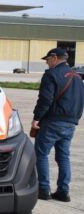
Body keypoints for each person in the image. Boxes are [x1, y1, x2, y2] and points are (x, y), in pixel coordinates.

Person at [31, 47, 84, 202]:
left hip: (52, 121)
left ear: (54, 58)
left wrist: (36, 118)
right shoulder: (77, 77)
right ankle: (63, 191)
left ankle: (43, 189)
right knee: (63, 157)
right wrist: (75, 118)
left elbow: (45, 99)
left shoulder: (51, 75)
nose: (47, 63)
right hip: (70, 123)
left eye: (48, 60)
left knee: (41, 154)